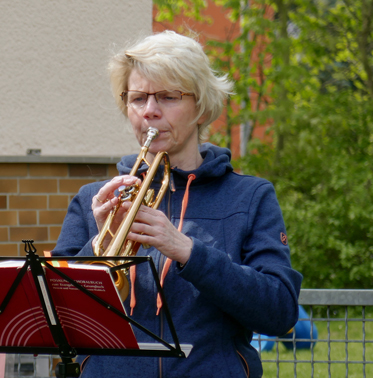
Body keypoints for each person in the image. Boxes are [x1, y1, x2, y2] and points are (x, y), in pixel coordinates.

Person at [52, 30, 302, 378]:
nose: (150, 112)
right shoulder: (92, 200)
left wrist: (187, 251)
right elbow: (57, 319)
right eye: (138, 99)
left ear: (201, 107)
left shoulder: (250, 197)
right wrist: (98, 246)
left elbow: (279, 311)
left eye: (168, 97)